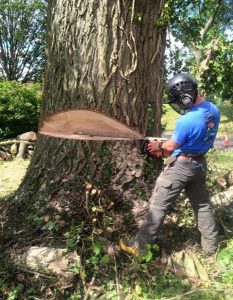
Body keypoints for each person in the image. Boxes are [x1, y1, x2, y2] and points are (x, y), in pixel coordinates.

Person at [120, 73, 220, 256]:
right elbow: (190, 138)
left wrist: (159, 146)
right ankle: (211, 248)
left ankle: (140, 249)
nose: (179, 105)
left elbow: (171, 146)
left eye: (179, 101)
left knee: (158, 206)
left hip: (181, 167)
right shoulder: (213, 110)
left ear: (186, 97)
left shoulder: (186, 120)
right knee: (203, 206)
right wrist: (167, 144)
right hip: (199, 164)